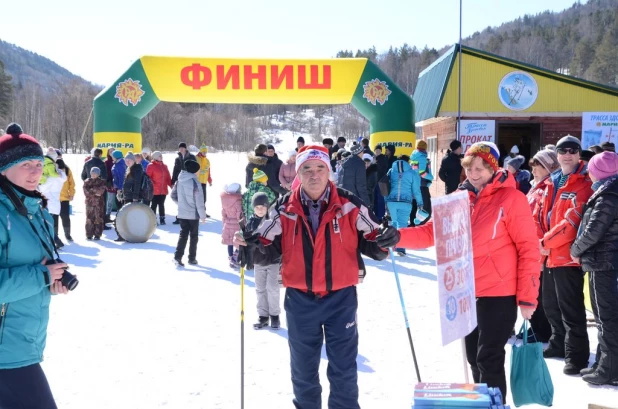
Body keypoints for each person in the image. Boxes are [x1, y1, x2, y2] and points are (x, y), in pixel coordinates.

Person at [235, 145, 399, 408]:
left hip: (341, 300)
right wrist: (248, 246)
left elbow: (373, 239)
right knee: (303, 371)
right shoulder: (283, 207)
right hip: (301, 301)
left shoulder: (349, 204)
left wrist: (386, 239)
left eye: (320, 168)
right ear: (298, 173)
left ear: (329, 171)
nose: (314, 175)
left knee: (343, 370)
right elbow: (264, 243)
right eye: (307, 169)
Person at [398, 142, 540, 402]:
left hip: (500, 293)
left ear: (493, 168)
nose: (473, 174)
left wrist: (528, 297)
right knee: (473, 356)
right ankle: (483, 403)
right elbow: (431, 232)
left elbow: (529, 250)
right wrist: (396, 236)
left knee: (489, 356)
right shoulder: (459, 198)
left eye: (480, 168)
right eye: (469, 168)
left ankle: (495, 405)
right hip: (465, 291)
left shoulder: (511, 199)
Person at [0, 123, 70, 409]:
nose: (35, 171)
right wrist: (40, 275)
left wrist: (51, 283)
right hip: (6, 351)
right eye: (25, 164)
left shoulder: (32, 209)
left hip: (22, 340)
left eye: (39, 164)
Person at [535, 135, 591, 375]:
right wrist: (539, 243)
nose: (567, 154)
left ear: (579, 154)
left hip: (567, 257)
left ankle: (577, 356)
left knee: (571, 309)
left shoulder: (584, 182)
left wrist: (545, 242)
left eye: (572, 150)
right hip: (547, 255)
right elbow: (539, 214)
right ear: (556, 154)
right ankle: (558, 344)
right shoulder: (552, 181)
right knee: (550, 305)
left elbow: (572, 221)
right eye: (562, 150)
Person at [570, 151, 618, 385]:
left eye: (591, 168)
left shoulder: (608, 195)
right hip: (604, 262)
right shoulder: (608, 191)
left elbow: (594, 232)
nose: (588, 172)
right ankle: (604, 364)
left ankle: (609, 369)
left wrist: (575, 249)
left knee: (606, 318)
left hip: (604, 263)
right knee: (604, 317)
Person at [526, 149, 560, 344]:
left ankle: (543, 331)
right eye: (532, 165)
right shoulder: (536, 187)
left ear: (548, 166)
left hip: (541, 246)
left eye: (537, 165)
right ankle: (536, 328)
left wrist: (545, 242)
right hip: (530, 245)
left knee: (540, 292)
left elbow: (548, 218)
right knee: (532, 289)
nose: (533, 169)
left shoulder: (551, 187)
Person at [238, 192, 282, 330]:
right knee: (260, 289)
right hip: (258, 261)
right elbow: (246, 241)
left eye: (262, 206)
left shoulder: (272, 221)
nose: (260, 209)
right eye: (257, 207)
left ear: (267, 207)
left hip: (273, 259)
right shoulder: (250, 222)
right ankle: (263, 316)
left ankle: (275, 316)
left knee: (273, 288)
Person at [385, 155, 423, 256]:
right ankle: (401, 248)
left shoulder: (391, 171)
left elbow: (385, 184)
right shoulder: (412, 172)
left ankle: (390, 246)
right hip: (405, 202)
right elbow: (416, 190)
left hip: (391, 201)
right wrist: (420, 203)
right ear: (408, 162)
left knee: (393, 223)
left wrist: (386, 200)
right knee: (402, 224)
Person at [171, 160, 206, 266]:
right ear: (194, 171)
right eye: (198, 170)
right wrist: (203, 215)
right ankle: (192, 258)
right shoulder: (195, 183)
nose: (199, 172)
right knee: (194, 236)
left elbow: (173, 196)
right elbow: (199, 201)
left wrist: (181, 204)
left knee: (183, 235)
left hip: (182, 213)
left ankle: (177, 257)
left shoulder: (179, 180)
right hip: (193, 215)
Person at [39, 148, 67, 249]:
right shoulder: (61, 176)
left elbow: (43, 187)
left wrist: (39, 184)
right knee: (50, 222)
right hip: (55, 201)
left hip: (46, 201)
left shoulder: (51, 178)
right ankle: (55, 240)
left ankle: (55, 240)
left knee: (45, 222)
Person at [114, 152, 143, 242]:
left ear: (133, 160)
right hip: (127, 197)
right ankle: (123, 235)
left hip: (132, 198)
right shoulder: (129, 169)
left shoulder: (137, 169)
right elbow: (126, 184)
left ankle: (126, 235)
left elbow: (137, 184)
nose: (127, 162)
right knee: (123, 217)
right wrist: (121, 193)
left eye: (129, 160)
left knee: (123, 217)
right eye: (126, 160)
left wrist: (135, 197)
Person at [171, 142, 197, 224]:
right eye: (180, 148)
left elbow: (195, 168)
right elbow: (175, 170)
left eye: (183, 147)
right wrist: (173, 180)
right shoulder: (177, 158)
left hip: (188, 181)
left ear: (185, 148)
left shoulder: (191, 157)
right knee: (174, 196)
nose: (181, 149)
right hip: (179, 181)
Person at [411, 140, 433, 226]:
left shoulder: (414, 156)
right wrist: (431, 177)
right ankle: (420, 225)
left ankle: (413, 224)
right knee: (425, 209)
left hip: (414, 185)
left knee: (415, 206)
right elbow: (422, 172)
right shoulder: (422, 157)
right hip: (422, 186)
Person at [146, 151, 172, 225]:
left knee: (161, 204)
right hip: (154, 189)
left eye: (161, 156)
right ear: (155, 157)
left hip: (163, 189)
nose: (161, 157)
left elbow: (168, 177)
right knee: (154, 204)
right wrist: (153, 184)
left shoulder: (165, 166)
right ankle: (153, 219)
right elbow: (148, 177)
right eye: (159, 156)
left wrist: (171, 185)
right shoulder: (150, 166)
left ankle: (162, 219)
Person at [221, 183, 242, 268]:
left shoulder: (224, 200)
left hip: (228, 223)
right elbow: (239, 214)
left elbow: (223, 213)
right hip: (236, 224)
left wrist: (225, 222)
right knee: (238, 241)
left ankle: (230, 257)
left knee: (230, 242)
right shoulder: (237, 200)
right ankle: (235, 258)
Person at [56, 149, 76, 241]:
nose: (57, 157)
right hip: (52, 198)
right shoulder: (48, 167)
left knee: (65, 217)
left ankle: (68, 234)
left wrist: (71, 193)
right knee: (53, 217)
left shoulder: (66, 169)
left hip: (64, 197)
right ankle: (54, 235)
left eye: (58, 155)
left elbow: (71, 183)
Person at [83, 167, 107, 240]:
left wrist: (91, 190)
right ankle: (89, 234)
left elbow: (100, 192)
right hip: (89, 203)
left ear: (98, 174)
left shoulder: (102, 182)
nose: (93, 174)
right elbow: (85, 192)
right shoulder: (87, 181)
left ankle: (97, 234)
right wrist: (94, 191)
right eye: (92, 173)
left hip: (99, 204)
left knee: (98, 218)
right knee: (89, 219)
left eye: (95, 173)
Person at [196, 144, 212, 218]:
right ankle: (196, 212)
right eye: (203, 151)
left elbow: (208, 172)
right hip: (196, 181)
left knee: (204, 198)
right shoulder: (196, 158)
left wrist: (210, 180)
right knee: (197, 198)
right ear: (201, 151)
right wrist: (199, 172)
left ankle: (203, 212)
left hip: (204, 182)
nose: (205, 153)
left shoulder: (207, 161)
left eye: (206, 151)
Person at [104, 148, 117, 225]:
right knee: (110, 201)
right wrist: (108, 181)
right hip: (110, 183)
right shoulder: (106, 162)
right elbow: (106, 173)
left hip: (118, 184)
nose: (111, 153)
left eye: (113, 151)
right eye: (110, 151)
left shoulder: (119, 161)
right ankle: (107, 216)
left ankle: (119, 217)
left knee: (119, 201)